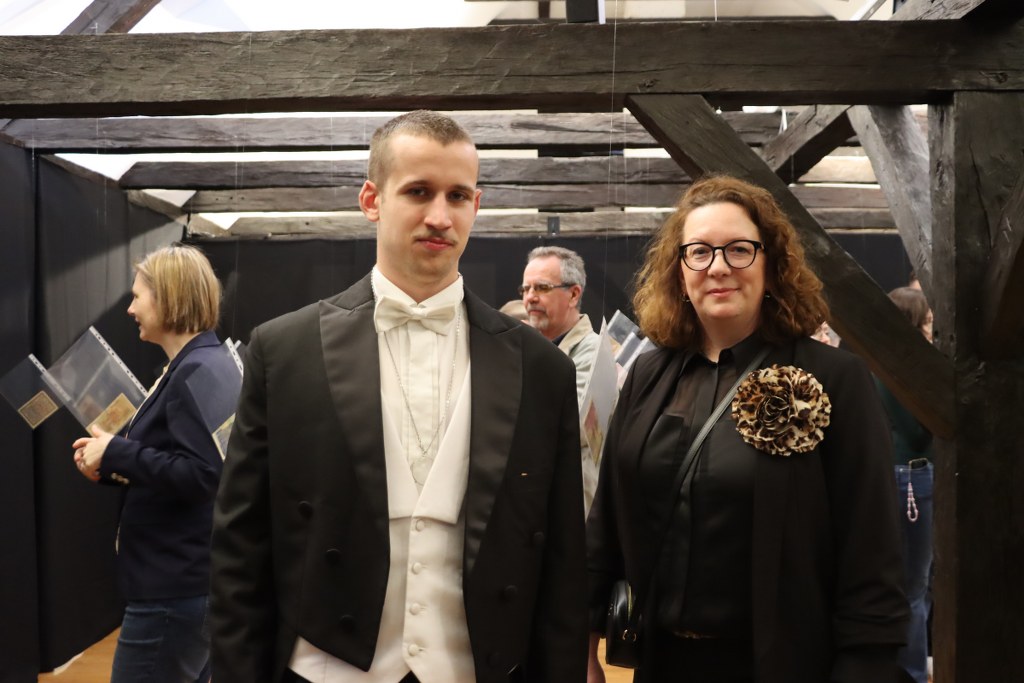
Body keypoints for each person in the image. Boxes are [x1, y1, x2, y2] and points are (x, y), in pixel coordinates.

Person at [210, 111, 587, 683]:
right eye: (418, 191)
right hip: (324, 669)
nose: (440, 216)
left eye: (457, 196)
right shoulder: (284, 350)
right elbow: (241, 544)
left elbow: (561, 559)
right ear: (372, 200)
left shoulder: (541, 369)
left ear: (476, 206)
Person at [586, 175, 908, 683]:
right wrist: (584, 643)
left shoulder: (835, 378)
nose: (718, 267)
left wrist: (865, 663)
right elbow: (607, 515)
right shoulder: (649, 375)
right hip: (661, 664)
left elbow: (871, 545)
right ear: (680, 273)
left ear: (772, 266)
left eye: (739, 249)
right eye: (699, 252)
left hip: (783, 666)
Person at [72, 243, 237, 683]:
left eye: (137, 296)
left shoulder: (194, 371)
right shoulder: (203, 363)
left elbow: (204, 475)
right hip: (190, 584)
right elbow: (177, 463)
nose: (130, 309)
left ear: (168, 297)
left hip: (174, 589)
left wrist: (117, 452)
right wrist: (110, 466)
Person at [875, 286, 935, 683]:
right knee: (914, 589)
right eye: (927, 321)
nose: (931, 329)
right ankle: (911, 673)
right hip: (912, 477)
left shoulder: (874, 362)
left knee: (900, 586)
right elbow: (919, 432)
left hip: (888, 478)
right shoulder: (911, 371)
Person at [520, 246, 602, 513]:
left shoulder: (595, 352)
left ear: (574, 294)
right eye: (526, 289)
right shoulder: (531, 349)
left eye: (542, 288)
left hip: (573, 506)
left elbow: (571, 426)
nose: (530, 297)